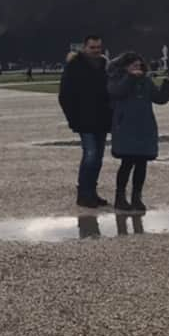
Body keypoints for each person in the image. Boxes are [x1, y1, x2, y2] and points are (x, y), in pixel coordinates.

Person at [107, 53, 169, 213]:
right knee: (127, 163)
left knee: (141, 163)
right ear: (125, 67)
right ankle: (120, 197)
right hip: (125, 126)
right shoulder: (116, 79)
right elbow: (117, 92)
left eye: (139, 66)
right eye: (133, 66)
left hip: (144, 126)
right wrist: (130, 77)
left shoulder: (145, 80)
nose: (137, 69)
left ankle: (137, 197)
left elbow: (160, 98)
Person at [59, 34, 112, 209]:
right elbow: (64, 95)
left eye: (99, 47)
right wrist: (73, 118)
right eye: (93, 47)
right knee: (90, 155)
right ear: (84, 47)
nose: (96, 51)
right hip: (84, 119)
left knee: (97, 158)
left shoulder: (104, 65)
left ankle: (92, 193)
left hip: (102, 119)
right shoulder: (75, 66)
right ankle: (83, 194)